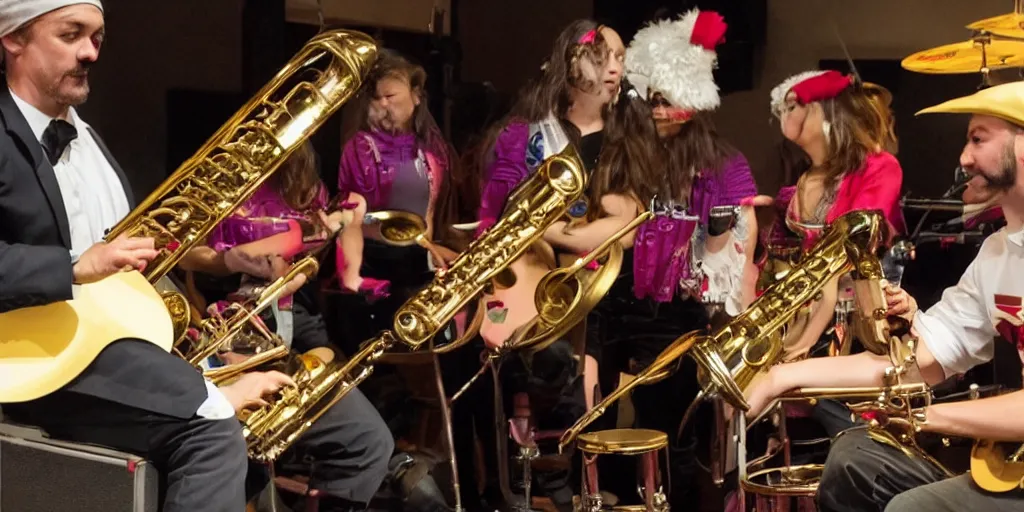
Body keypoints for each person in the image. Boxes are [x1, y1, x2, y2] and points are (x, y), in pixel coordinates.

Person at [0, 3, 295, 511]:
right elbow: (81, 267)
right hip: (33, 357)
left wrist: (206, 337)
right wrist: (73, 266)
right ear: (13, 41)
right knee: (212, 426)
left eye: (97, 37)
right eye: (71, 35)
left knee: (282, 418)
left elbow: (130, 268)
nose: (90, 52)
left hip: (112, 342)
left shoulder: (91, 141)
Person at [745, 81, 1024, 512]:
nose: (964, 158)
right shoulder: (996, 254)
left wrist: (929, 416)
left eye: (978, 139)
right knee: (856, 458)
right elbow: (917, 363)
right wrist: (783, 377)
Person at [582, 10, 759, 506]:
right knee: (605, 418)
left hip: (681, 312)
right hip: (614, 300)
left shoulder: (723, 160)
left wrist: (733, 305)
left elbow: (745, 234)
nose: (657, 112)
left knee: (671, 425)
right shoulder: (623, 153)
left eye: (667, 101)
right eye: (652, 101)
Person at [182, 141, 395, 511]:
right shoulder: (218, 174)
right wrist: (229, 260)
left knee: (369, 441)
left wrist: (343, 226)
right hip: (223, 329)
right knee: (242, 454)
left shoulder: (307, 184)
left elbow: (309, 259)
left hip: (289, 323)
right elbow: (180, 253)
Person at [335, 50, 457, 303]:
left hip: (417, 269)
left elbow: (428, 216)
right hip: (377, 268)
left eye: (390, 96)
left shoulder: (432, 149)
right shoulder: (361, 148)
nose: (382, 105)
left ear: (415, 96)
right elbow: (353, 220)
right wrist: (352, 275)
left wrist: (432, 257)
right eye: (375, 98)